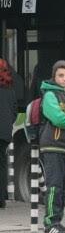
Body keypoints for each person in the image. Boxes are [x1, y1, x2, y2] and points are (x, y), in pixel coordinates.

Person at [39, 61, 65, 233]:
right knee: (54, 186)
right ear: (54, 76)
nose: (64, 79)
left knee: (64, 187)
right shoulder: (49, 95)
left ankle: (58, 221)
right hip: (53, 146)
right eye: (61, 76)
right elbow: (57, 119)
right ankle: (50, 223)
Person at [0, 58, 17, 209]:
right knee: (2, 165)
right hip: (5, 134)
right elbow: (14, 114)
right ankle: (1, 200)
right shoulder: (10, 91)